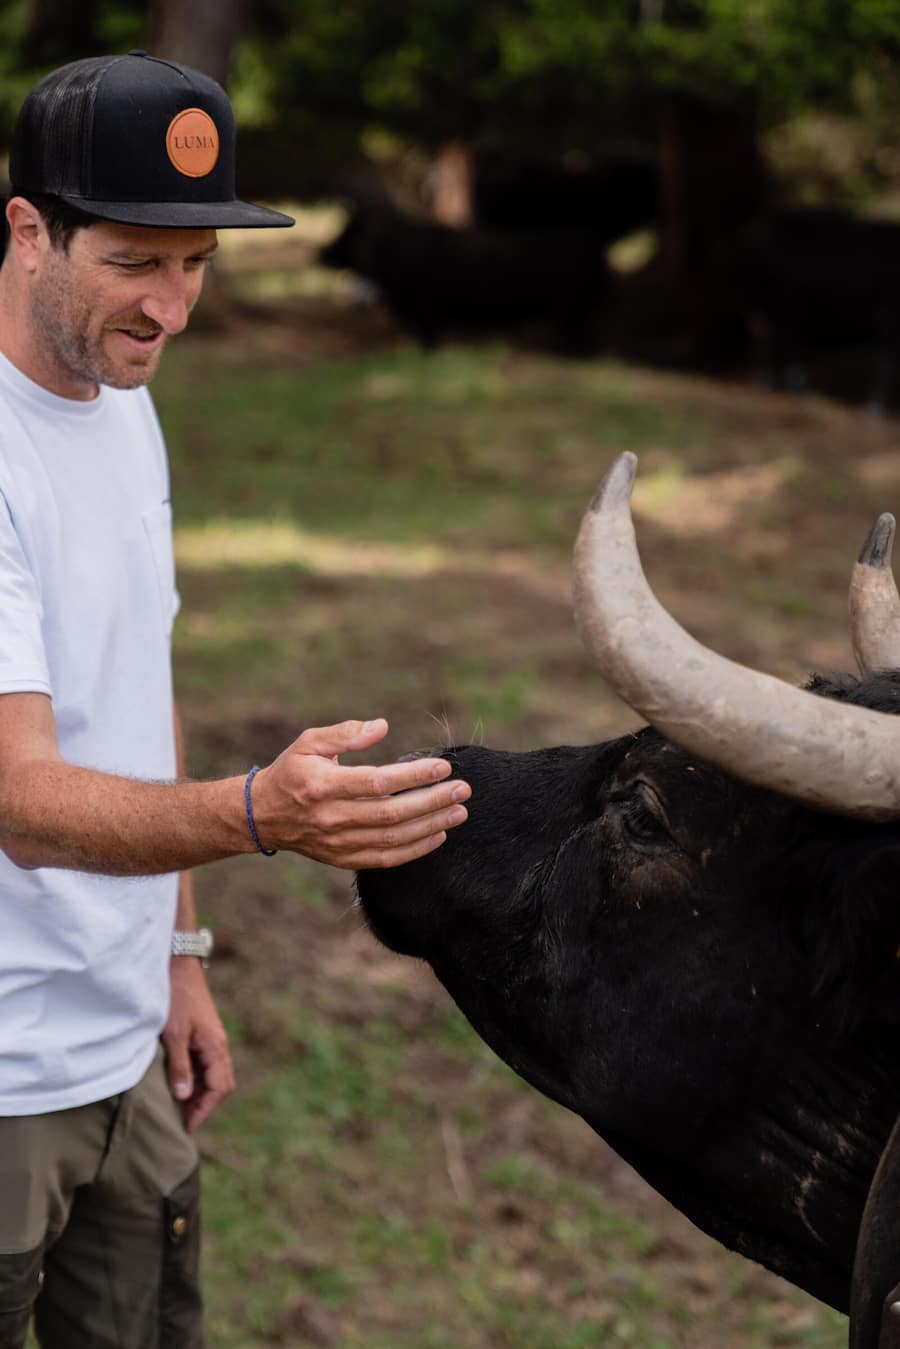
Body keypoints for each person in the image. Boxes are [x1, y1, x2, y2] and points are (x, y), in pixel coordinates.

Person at [0, 51, 471, 1349]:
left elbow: (133, 700)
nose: (174, 309)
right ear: (28, 229)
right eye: (136, 262)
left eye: (196, 265)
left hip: (123, 1044)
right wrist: (262, 810)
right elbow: (24, 800)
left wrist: (178, 952)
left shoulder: (120, 402)